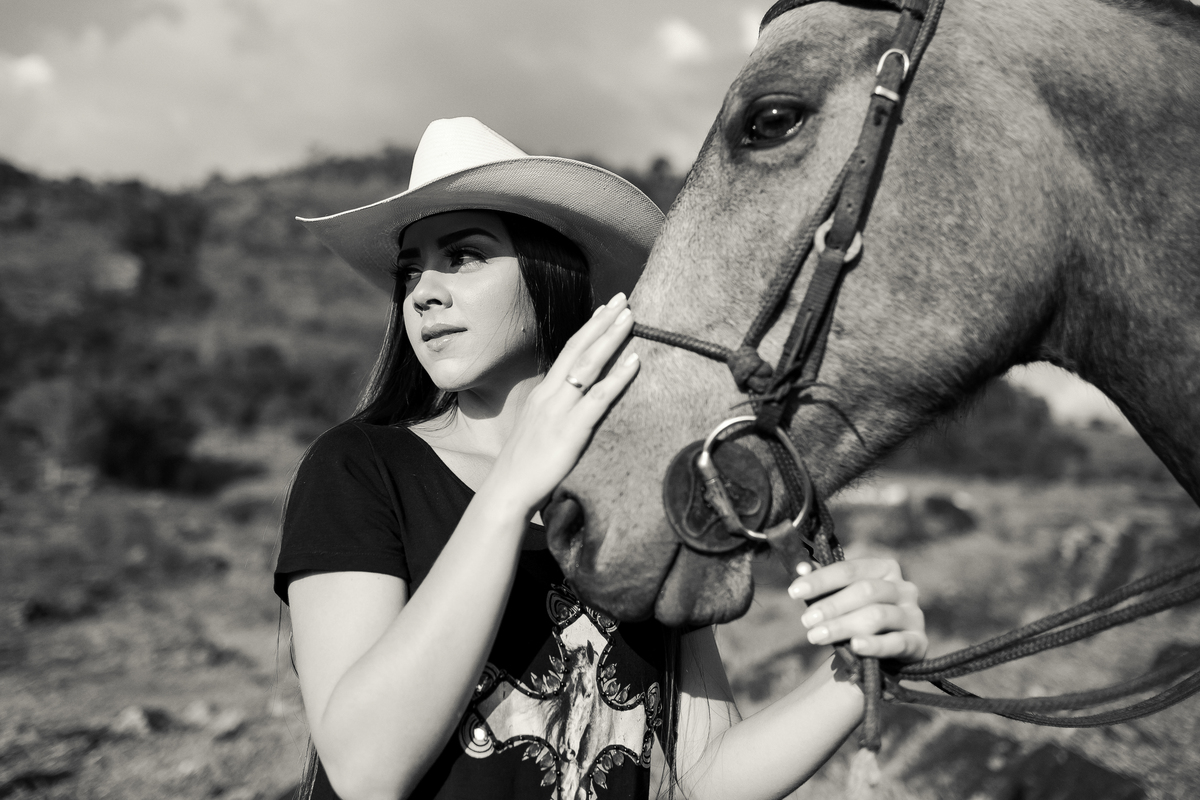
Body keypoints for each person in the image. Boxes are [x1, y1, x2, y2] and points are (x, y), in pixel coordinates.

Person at [274, 117, 928, 800]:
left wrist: (857, 671)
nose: (422, 291)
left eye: (463, 256)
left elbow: (706, 774)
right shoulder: (357, 468)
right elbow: (365, 770)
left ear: (547, 269)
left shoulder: (639, 491)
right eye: (410, 271)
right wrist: (508, 494)